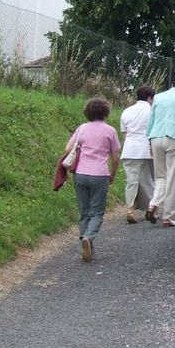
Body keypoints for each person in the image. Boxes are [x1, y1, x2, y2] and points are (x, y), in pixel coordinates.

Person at [62, 96, 120, 263]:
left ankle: (86, 243)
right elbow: (115, 158)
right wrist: (113, 174)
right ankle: (88, 237)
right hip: (100, 174)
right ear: (106, 112)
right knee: (97, 212)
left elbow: (68, 149)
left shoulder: (82, 128)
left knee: (84, 211)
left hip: (80, 174)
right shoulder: (110, 131)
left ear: (88, 112)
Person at [146, 73, 175, 227]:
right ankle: (169, 216)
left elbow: (151, 121)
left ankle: (153, 204)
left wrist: (149, 140)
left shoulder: (158, 97)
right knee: (172, 177)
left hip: (155, 137)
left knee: (160, 177)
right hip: (174, 137)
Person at [118, 85, 156, 223]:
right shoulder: (152, 110)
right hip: (146, 150)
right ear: (149, 98)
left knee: (132, 181)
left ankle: (130, 209)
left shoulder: (126, 111)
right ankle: (150, 209)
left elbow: (125, 134)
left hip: (129, 150)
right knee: (148, 180)